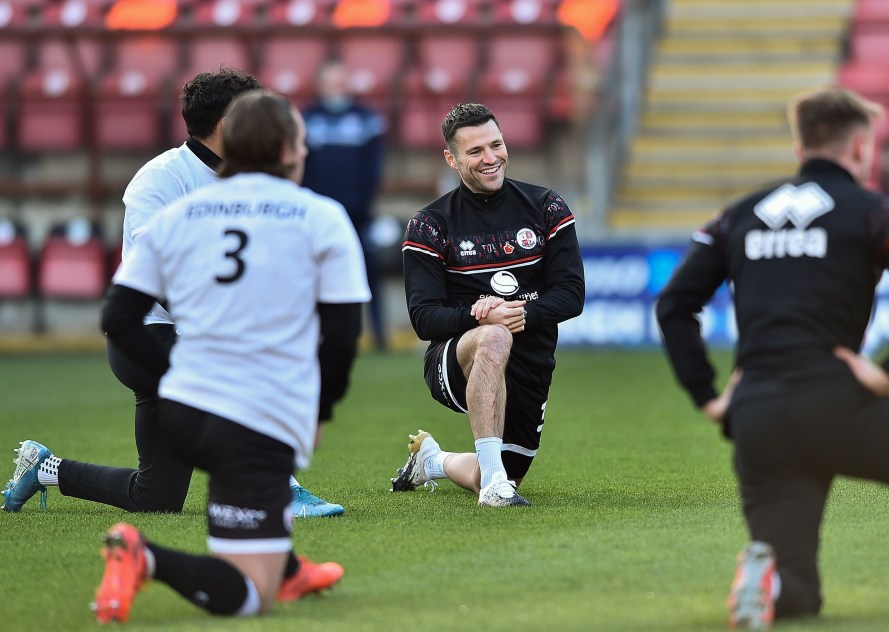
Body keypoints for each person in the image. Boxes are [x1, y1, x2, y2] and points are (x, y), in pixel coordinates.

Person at [655, 85, 889, 630]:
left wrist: (708, 396)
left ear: (800, 149)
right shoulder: (874, 212)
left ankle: (769, 582)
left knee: (799, 590)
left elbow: (675, 305)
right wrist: (888, 370)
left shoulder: (740, 215)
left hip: (759, 418)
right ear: (862, 148)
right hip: (841, 404)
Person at [2, 69, 346, 519]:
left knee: (157, 498)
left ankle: (44, 467)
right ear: (228, 123)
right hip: (147, 335)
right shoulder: (160, 180)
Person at [92, 89, 370, 622]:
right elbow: (339, 335)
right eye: (303, 141)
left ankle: (286, 564)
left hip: (190, 411)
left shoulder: (183, 214)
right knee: (248, 596)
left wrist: (177, 383)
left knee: (236, 495)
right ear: (286, 149)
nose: (307, 151)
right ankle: (143, 556)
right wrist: (319, 411)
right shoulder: (319, 216)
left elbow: (118, 318)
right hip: (256, 409)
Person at [389, 103, 585, 507]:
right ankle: (495, 487)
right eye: (475, 151)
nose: (490, 158)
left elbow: (571, 294)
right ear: (452, 158)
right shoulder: (429, 223)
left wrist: (522, 313)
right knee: (493, 337)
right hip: (455, 359)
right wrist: (478, 315)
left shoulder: (547, 208)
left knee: (506, 470)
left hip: (530, 363)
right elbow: (424, 318)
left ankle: (436, 460)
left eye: (495, 145)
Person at [301, 59, 389, 352]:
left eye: (341, 81)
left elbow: (373, 168)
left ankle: (380, 336)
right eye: (331, 81)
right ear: (320, 85)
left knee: (368, 272)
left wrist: (362, 203)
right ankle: (317, 336)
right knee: (315, 276)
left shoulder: (367, 119)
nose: (337, 88)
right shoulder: (307, 119)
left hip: (358, 213)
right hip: (317, 216)